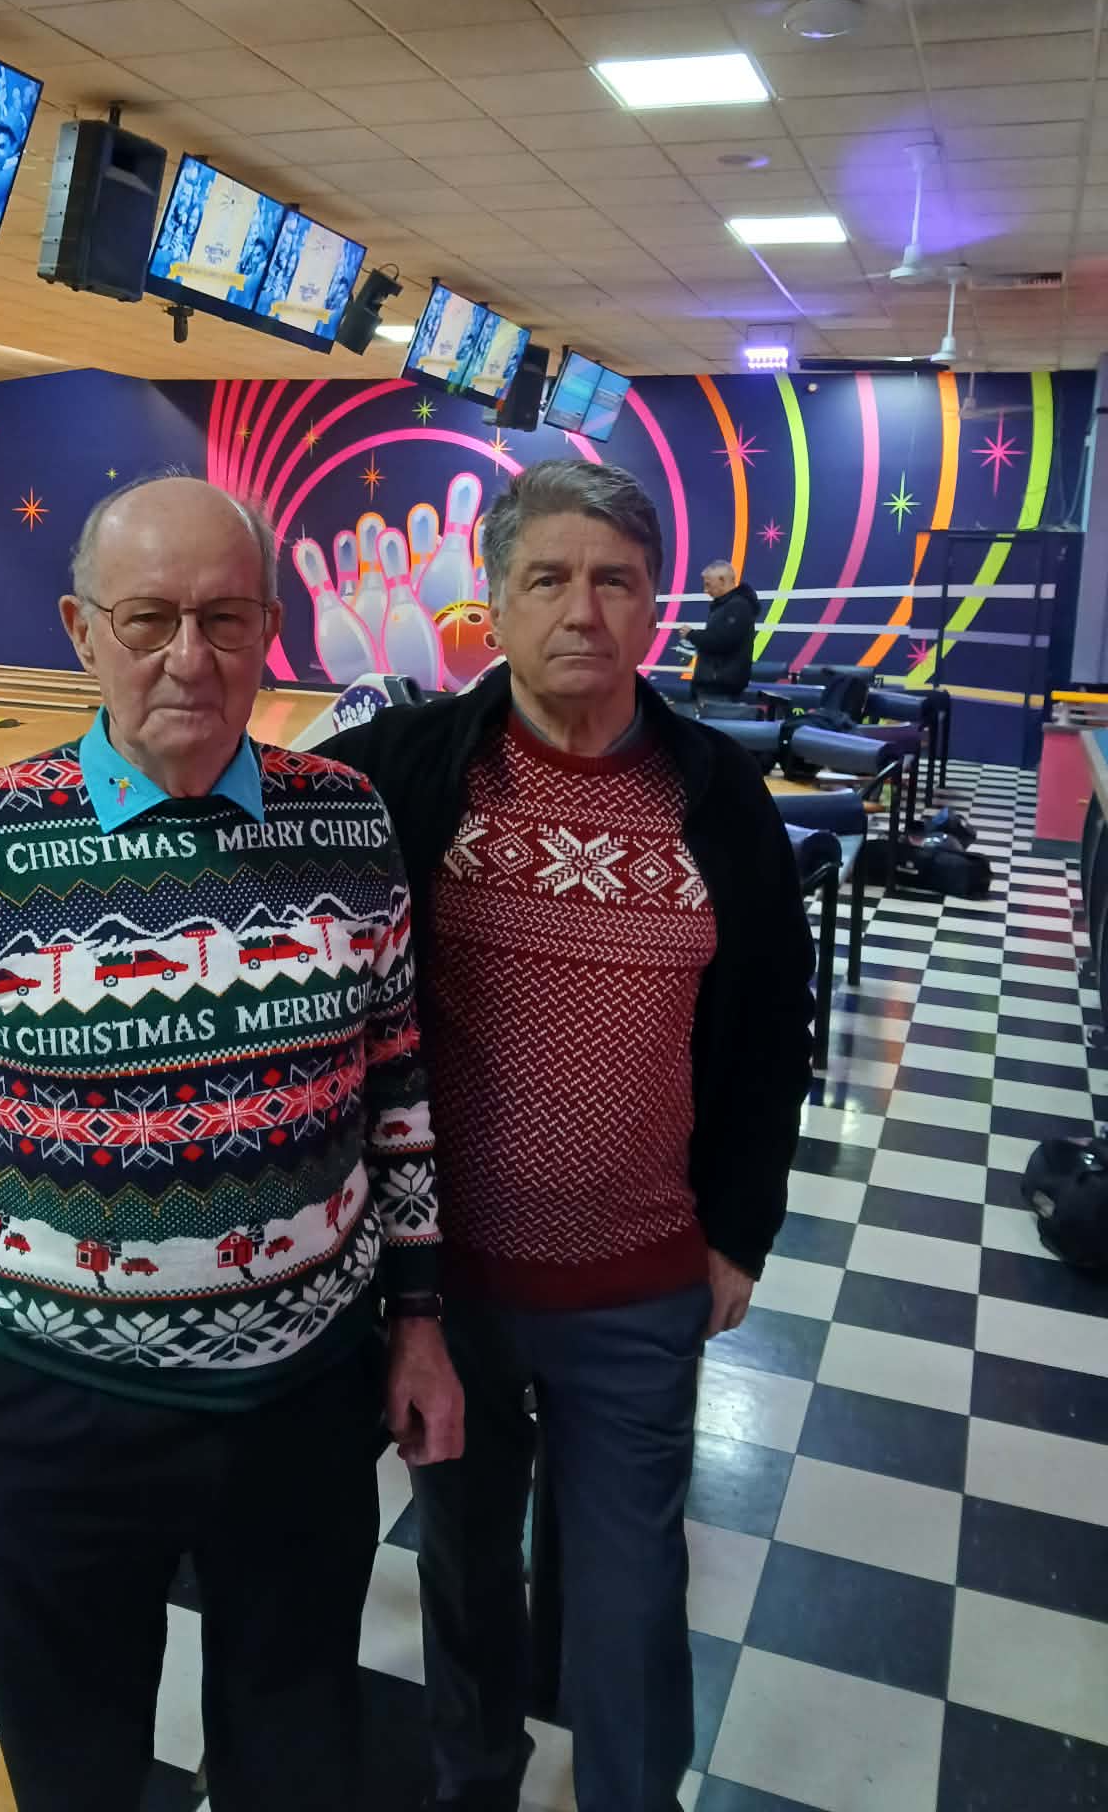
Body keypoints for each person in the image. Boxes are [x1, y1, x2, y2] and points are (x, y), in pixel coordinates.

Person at [0, 474, 462, 1812]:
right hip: (53, 1417)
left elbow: (399, 1097)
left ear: (270, 629)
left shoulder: (349, 823)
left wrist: (415, 1322)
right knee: (77, 1776)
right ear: (81, 630)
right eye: (149, 617)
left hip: (305, 1407)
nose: (189, 656)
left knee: (298, 1763)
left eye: (225, 618)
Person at [323, 460, 813, 1812]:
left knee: (631, 1588)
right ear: (493, 602)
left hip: (640, 1280)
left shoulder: (716, 795)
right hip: (450, 1292)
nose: (581, 609)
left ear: (655, 607)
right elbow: (252, 856)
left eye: (614, 581)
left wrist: (741, 1230)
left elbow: (773, 1028)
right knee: (466, 1564)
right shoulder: (405, 772)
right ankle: (476, 1780)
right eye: (547, 578)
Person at [676, 560, 759, 703]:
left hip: (719, 687)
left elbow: (721, 641)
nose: (705, 590)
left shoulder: (737, 607)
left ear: (722, 580)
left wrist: (691, 635)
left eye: (708, 584)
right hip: (714, 685)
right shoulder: (725, 606)